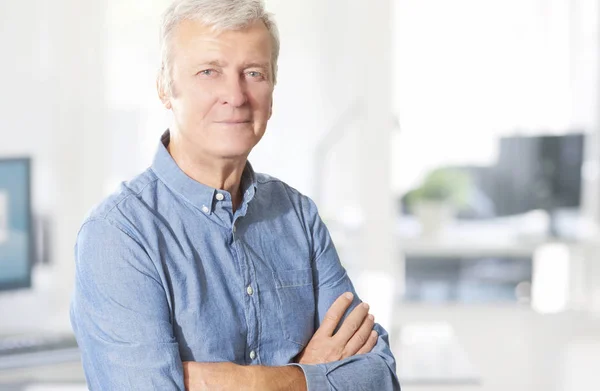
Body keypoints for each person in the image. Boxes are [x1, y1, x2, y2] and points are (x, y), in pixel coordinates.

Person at [70, 0, 400, 389]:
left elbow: (379, 375)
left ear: (272, 90)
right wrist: (311, 376)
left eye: (254, 72)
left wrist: (247, 381)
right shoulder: (118, 235)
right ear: (164, 87)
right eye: (209, 71)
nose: (236, 95)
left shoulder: (297, 216)